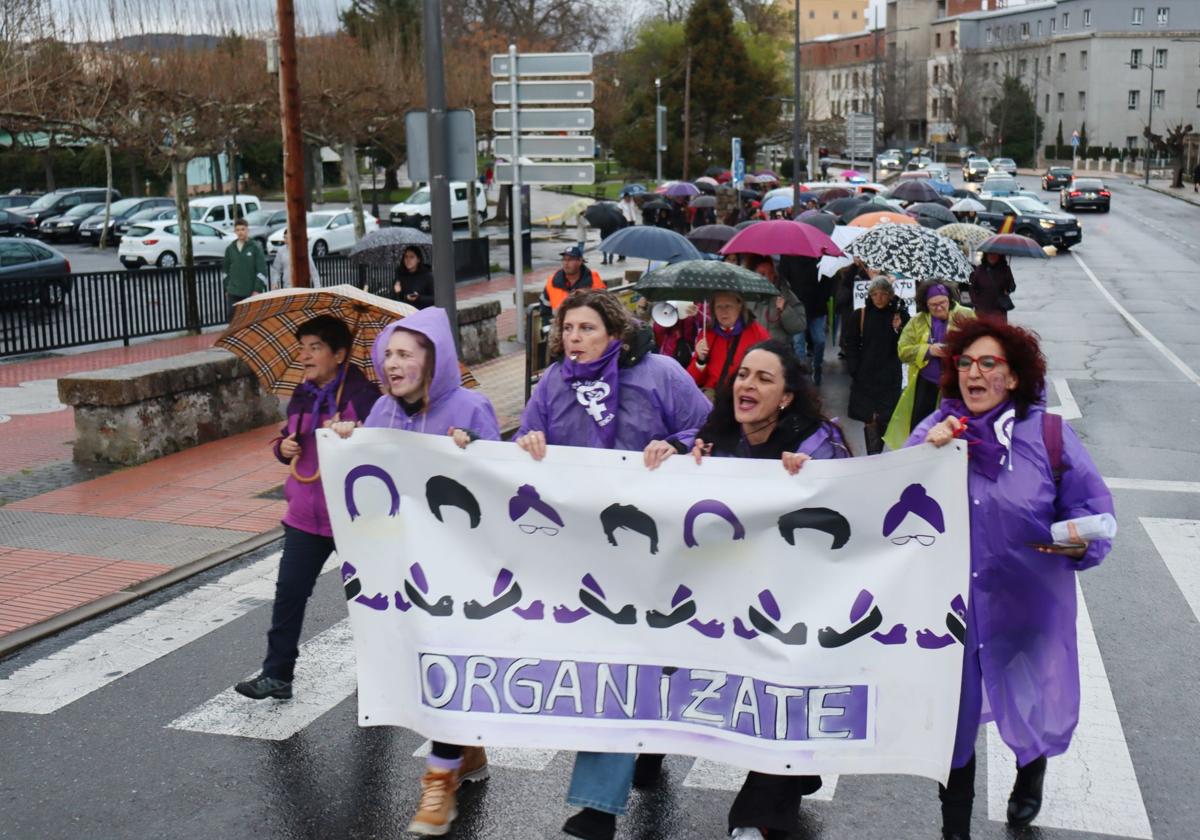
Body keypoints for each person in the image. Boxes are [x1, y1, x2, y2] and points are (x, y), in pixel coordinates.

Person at [510, 290, 710, 840]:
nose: (573, 339)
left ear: (614, 333)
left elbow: (707, 435)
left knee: (662, 656)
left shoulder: (660, 374)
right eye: (567, 329)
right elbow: (529, 439)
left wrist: (676, 445)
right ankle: (598, 808)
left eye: (585, 329)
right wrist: (527, 442)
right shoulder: (552, 384)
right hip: (589, 554)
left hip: (660, 545)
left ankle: (651, 740)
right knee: (613, 663)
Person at [909, 317, 1114, 840]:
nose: (973, 373)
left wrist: (1075, 543)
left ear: (1014, 377)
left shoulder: (1047, 436)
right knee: (953, 725)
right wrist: (921, 457)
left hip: (1027, 603)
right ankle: (954, 829)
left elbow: (1091, 512)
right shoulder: (934, 433)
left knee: (1033, 701)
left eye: (988, 363)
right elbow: (884, 503)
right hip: (952, 614)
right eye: (965, 364)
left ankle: (1031, 771)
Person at [646, 340, 848, 839]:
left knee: (777, 690)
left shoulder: (815, 442)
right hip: (720, 597)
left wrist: (812, 476)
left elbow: (846, 501)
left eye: (762, 378)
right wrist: (670, 448)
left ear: (785, 398)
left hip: (791, 601)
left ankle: (755, 817)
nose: (747, 386)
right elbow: (692, 440)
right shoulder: (717, 438)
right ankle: (647, 746)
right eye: (742, 375)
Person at [331, 307, 501, 837]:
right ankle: (467, 751)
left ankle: (439, 780)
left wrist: (474, 455)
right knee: (420, 663)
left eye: (406, 352)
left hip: (458, 571)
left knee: (445, 661)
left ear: (434, 358)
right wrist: (347, 441)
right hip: (404, 572)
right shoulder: (381, 409)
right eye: (388, 353)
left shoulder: (472, 406)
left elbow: (503, 486)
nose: (393, 362)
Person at [234, 316, 380, 703]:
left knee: (367, 603)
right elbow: (287, 437)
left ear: (340, 354)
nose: (304, 355)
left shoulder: (364, 395)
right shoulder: (301, 394)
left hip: (352, 518)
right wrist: (282, 449)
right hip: (305, 515)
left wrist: (353, 432)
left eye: (314, 347)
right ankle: (276, 675)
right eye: (303, 347)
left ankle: (381, 679)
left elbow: (382, 448)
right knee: (289, 595)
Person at [883, 279, 974, 451]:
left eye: (943, 303)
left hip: (956, 384)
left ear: (950, 300)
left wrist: (956, 350)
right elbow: (903, 350)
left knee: (956, 427)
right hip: (926, 384)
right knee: (922, 427)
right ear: (925, 305)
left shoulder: (966, 315)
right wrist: (929, 350)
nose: (939, 308)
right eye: (933, 305)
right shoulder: (917, 321)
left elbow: (978, 344)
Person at [846, 278, 910, 454]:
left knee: (884, 418)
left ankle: (877, 453)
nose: (879, 298)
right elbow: (850, 343)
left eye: (883, 294)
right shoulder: (860, 315)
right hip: (865, 375)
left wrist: (899, 329)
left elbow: (905, 347)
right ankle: (873, 457)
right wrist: (854, 368)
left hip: (889, 377)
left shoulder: (900, 315)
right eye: (874, 294)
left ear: (890, 295)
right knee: (870, 418)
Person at [687, 290, 770, 397]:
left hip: (746, 393)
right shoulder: (707, 334)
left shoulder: (758, 333)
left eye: (728, 306)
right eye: (719, 307)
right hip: (714, 395)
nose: (723, 312)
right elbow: (692, 379)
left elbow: (768, 370)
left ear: (739, 305)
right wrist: (701, 360)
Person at [779, 255, 832, 385]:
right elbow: (783, 280)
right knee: (798, 343)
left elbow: (829, 280)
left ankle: (817, 366)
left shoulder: (820, 258)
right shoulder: (788, 258)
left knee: (819, 340)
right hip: (797, 306)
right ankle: (801, 375)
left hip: (817, 307)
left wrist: (824, 296)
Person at [744, 255, 807, 352]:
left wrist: (785, 310)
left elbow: (799, 326)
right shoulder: (745, 296)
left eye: (771, 273)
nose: (768, 278)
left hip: (778, 355)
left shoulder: (784, 293)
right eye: (762, 274)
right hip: (752, 354)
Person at [223, 217, 268, 319]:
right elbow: (225, 271)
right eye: (238, 230)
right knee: (232, 319)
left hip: (250, 293)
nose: (240, 232)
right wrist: (227, 288)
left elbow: (262, 271)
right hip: (233, 292)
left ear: (247, 230)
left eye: (242, 229)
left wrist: (257, 290)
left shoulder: (255, 247)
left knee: (250, 320)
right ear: (234, 231)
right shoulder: (230, 249)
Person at [542, 245, 602, 314]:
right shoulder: (552, 281)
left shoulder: (594, 282)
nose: (566, 263)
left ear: (580, 261)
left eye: (570, 259)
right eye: (564, 259)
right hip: (558, 324)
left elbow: (602, 310)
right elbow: (545, 307)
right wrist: (547, 323)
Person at [969, 252, 1016, 321]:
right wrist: (976, 303)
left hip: (999, 309)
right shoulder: (979, 269)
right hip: (983, 309)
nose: (992, 256)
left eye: (995, 254)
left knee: (999, 330)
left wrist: (1008, 289)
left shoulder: (1005, 269)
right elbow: (972, 288)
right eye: (990, 254)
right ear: (986, 255)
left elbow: (1012, 285)